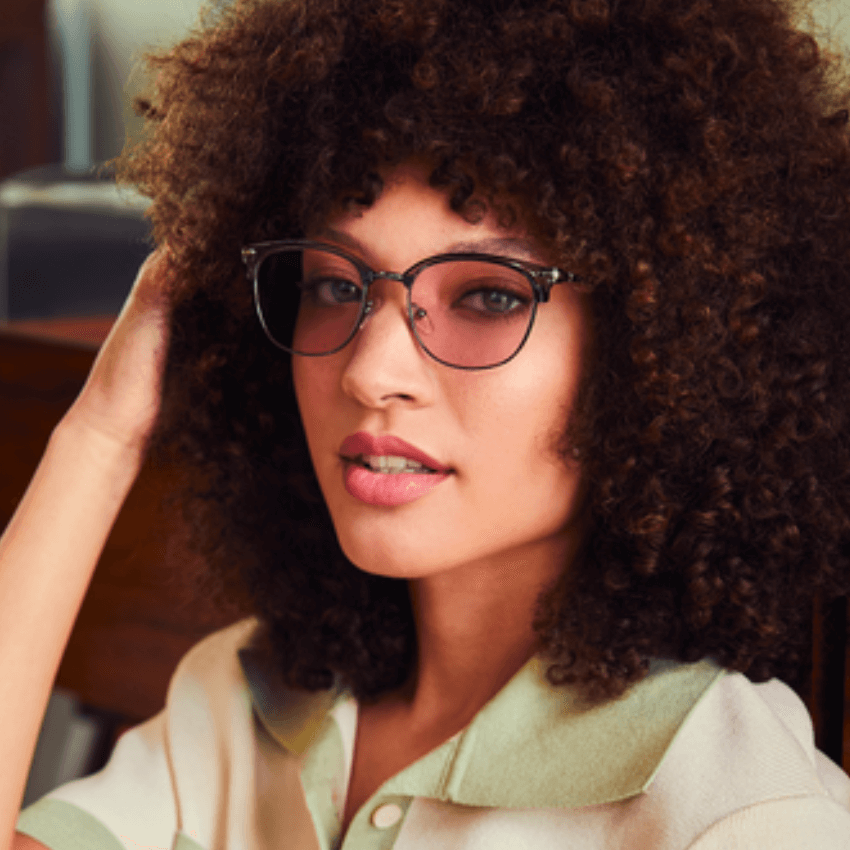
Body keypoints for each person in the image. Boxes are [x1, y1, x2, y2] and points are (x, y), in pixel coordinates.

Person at [4, 0, 850, 846]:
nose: (372, 372)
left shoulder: (739, 812)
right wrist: (99, 435)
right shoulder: (246, 700)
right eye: (335, 284)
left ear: (667, 344)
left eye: (488, 296)